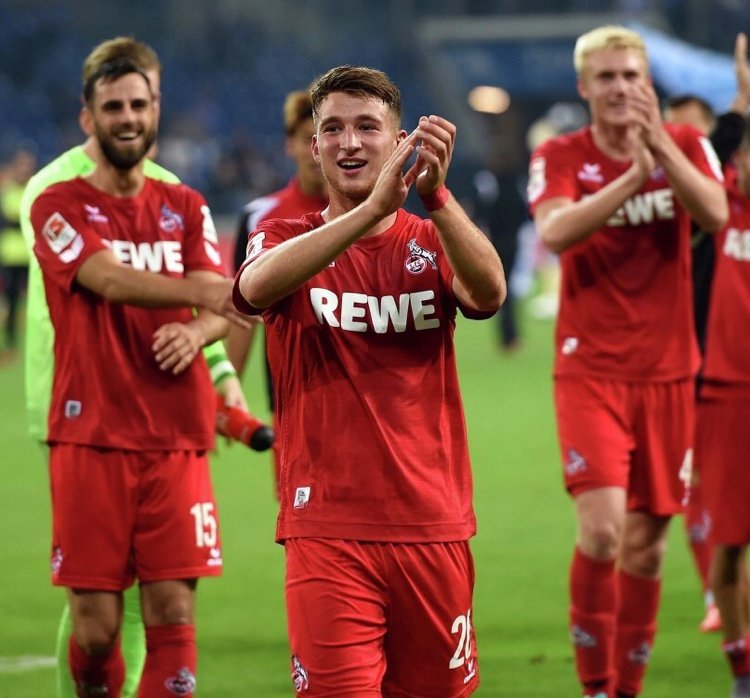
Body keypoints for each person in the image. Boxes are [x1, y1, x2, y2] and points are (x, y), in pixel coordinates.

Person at [234, 65, 505, 696]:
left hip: (432, 523)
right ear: (314, 146)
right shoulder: (283, 236)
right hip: (326, 529)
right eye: (333, 129)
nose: (349, 142)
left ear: (399, 141)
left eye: (366, 127)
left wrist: (437, 198)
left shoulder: (432, 239)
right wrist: (372, 212)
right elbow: (253, 288)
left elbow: (488, 294)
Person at [19, 37, 253, 698]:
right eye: (113, 107)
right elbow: (110, 279)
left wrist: (201, 326)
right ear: (88, 118)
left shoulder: (185, 204)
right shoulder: (54, 201)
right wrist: (207, 294)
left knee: (173, 614)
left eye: (139, 105)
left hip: (176, 434)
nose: (128, 118)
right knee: (96, 631)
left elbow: (222, 308)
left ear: (156, 111)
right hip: (89, 433)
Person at [528, 25, 728, 698]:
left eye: (631, 76)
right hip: (591, 371)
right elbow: (555, 230)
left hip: (669, 372)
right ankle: (595, 687)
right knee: (603, 531)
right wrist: (634, 181)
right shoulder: (561, 154)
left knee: (648, 544)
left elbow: (716, 213)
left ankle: (626, 690)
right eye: (607, 77)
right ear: (584, 87)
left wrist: (660, 149)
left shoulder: (687, 142)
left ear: (649, 85)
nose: (620, 88)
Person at [662, 31, 750, 635]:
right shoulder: (699, 202)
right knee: (704, 493)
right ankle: (719, 601)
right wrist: (738, 103)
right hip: (702, 366)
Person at [227, 88, 327, 495]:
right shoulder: (260, 218)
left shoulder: (375, 212)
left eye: (327, 136)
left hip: (370, 398)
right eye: (308, 138)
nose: (317, 151)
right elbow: (242, 312)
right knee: (301, 520)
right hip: (291, 402)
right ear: (290, 144)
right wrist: (228, 388)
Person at [695, 120, 750, 698]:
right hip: (727, 391)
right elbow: (708, 150)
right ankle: (742, 668)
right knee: (730, 539)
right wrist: (738, 102)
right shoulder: (721, 205)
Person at [0, 145, 36, 359]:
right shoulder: (8, 191)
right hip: (11, 255)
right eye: (22, 165)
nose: (25, 169)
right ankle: (10, 342)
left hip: (31, 255)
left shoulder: (33, 188)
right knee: (12, 301)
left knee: (36, 302)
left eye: (28, 165)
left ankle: (34, 340)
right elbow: (13, 217)